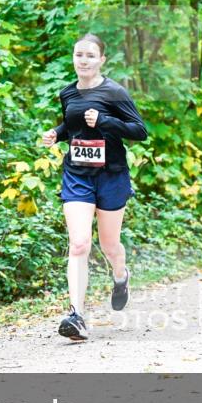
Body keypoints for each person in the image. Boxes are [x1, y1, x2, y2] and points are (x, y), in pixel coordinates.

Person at [42, 34, 148, 341]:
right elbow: (72, 125)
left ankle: (121, 276)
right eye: (79, 55)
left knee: (110, 245)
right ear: (73, 58)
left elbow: (139, 131)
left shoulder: (115, 92)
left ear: (101, 60)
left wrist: (104, 121)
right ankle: (76, 316)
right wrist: (57, 133)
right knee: (79, 244)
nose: (83, 60)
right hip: (77, 175)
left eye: (90, 55)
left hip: (111, 176)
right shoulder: (67, 93)